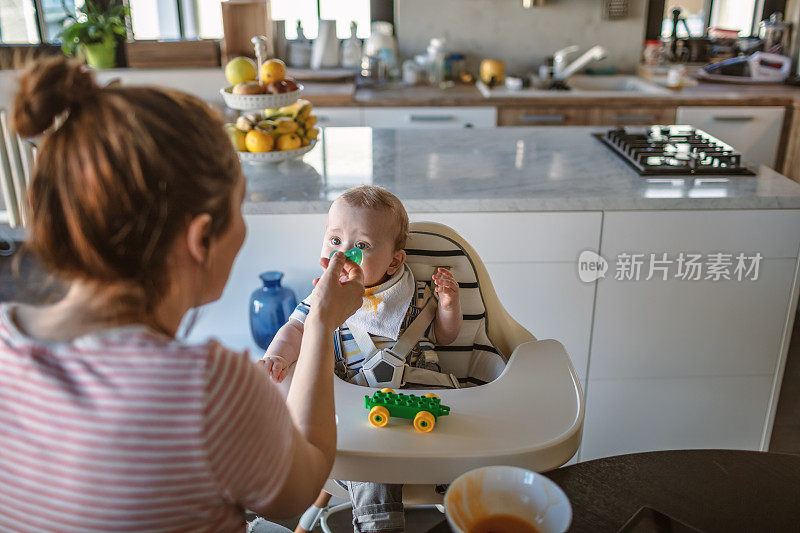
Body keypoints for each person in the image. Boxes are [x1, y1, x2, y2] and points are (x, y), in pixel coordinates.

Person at [0, 57, 364, 532]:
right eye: (239, 210)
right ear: (201, 239)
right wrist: (319, 324)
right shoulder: (208, 388)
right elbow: (300, 486)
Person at [263, 185, 462, 532]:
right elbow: (295, 330)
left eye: (362, 246)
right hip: (365, 413)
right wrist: (276, 356)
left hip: (424, 402)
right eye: (335, 241)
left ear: (395, 261)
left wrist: (448, 306)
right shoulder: (324, 296)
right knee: (374, 466)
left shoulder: (416, 293)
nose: (346, 255)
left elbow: (445, 338)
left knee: (468, 444)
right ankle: (379, 523)